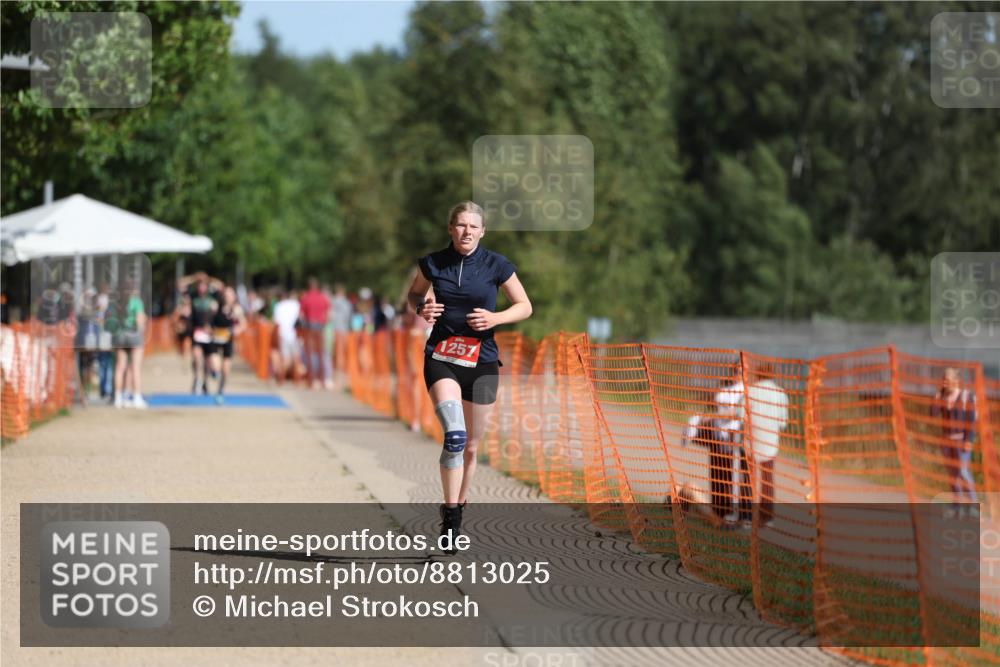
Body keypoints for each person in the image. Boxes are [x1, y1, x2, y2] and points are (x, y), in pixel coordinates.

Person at [406, 201, 532, 552]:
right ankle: (448, 514)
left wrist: (495, 319)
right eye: (460, 225)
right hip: (442, 356)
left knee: (473, 448)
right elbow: (414, 294)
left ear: (482, 231)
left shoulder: (497, 265)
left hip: (483, 361)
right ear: (450, 228)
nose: (466, 232)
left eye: (473, 227)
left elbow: (525, 305)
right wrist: (421, 307)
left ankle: (459, 509)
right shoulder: (433, 263)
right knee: (456, 436)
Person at [932, 367, 979, 519]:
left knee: (963, 472)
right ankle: (957, 505)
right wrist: (937, 397)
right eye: (943, 380)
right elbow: (933, 414)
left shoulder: (966, 396)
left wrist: (968, 440)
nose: (944, 382)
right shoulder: (943, 396)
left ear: (955, 380)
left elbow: (971, 420)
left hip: (961, 440)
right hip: (947, 440)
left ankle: (973, 505)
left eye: (947, 380)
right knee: (953, 475)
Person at [745, 364, 789, 526]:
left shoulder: (750, 391)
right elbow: (783, 422)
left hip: (751, 438)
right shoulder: (780, 394)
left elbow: (742, 414)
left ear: (757, 374)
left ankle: (747, 514)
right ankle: (767, 516)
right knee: (767, 479)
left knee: (749, 477)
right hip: (770, 441)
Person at [178, 272, 223, 395]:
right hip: (197, 332)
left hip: (210, 333)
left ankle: (205, 382)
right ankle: (197, 380)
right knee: (197, 358)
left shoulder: (212, 296)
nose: (201, 287)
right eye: (199, 285)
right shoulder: (193, 296)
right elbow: (181, 284)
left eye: (204, 285)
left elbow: (220, 285)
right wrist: (194, 277)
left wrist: (208, 278)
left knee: (209, 361)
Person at [110, 282, 147, 409]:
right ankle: (136, 397)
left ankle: (118, 398)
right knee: (135, 367)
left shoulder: (116, 303)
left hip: (120, 335)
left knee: (120, 367)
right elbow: (139, 320)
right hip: (134, 335)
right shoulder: (136, 302)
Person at [208, 286, 246, 403]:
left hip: (228, 340)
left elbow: (244, 324)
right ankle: (214, 372)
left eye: (230, 295)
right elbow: (208, 319)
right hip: (215, 338)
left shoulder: (237, 309)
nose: (228, 297)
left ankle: (220, 391)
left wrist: (237, 330)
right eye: (226, 295)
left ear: (234, 296)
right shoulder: (215, 306)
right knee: (216, 365)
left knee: (226, 370)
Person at [299, 277, 331, 389]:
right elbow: (329, 314)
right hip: (320, 327)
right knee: (322, 353)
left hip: (310, 327)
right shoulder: (323, 298)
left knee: (311, 354)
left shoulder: (306, 298)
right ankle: (324, 379)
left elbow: (301, 315)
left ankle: (312, 380)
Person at [271, 290, 301, 383]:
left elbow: (276, 322)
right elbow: (300, 317)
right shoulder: (295, 304)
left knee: (285, 358)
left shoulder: (279, 306)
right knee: (296, 357)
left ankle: (281, 378)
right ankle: (297, 379)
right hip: (294, 334)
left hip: (283, 334)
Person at [330, 284, 352, 389]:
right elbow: (348, 318)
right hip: (343, 330)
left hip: (333, 330)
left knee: (335, 354)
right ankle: (340, 377)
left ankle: (336, 377)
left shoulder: (332, 302)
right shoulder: (347, 304)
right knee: (341, 353)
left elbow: (330, 316)